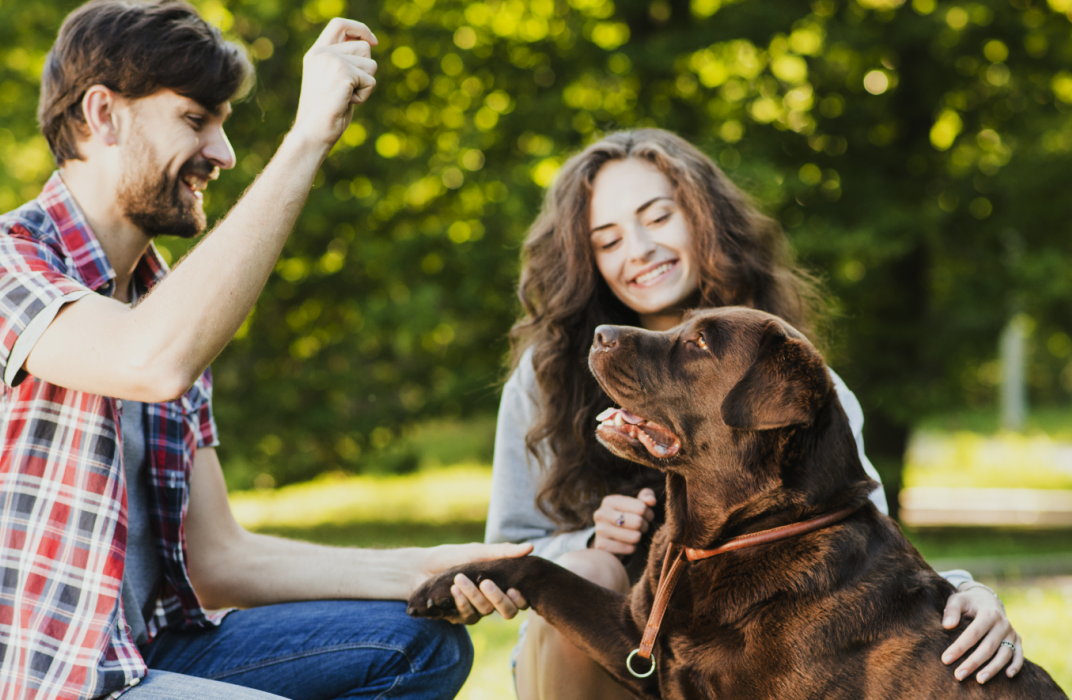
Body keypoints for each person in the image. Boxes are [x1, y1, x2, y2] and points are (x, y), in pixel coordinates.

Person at [0, 2, 528, 698]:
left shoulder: (165, 300)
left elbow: (220, 559)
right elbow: (148, 361)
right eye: (196, 120)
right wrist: (308, 137)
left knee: (420, 645)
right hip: (50, 674)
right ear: (104, 115)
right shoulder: (15, 262)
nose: (224, 155)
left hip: (146, 651)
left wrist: (418, 566)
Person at [464, 129, 1025, 700]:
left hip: (752, 670)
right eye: (606, 241)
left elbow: (860, 545)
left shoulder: (793, 377)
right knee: (591, 573)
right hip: (600, 662)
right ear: (586, 260)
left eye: (657, 218)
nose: (637, 249)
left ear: (705, 217)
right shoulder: (549, 374)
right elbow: (508, 546)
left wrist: (967, 594)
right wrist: (592, 541)